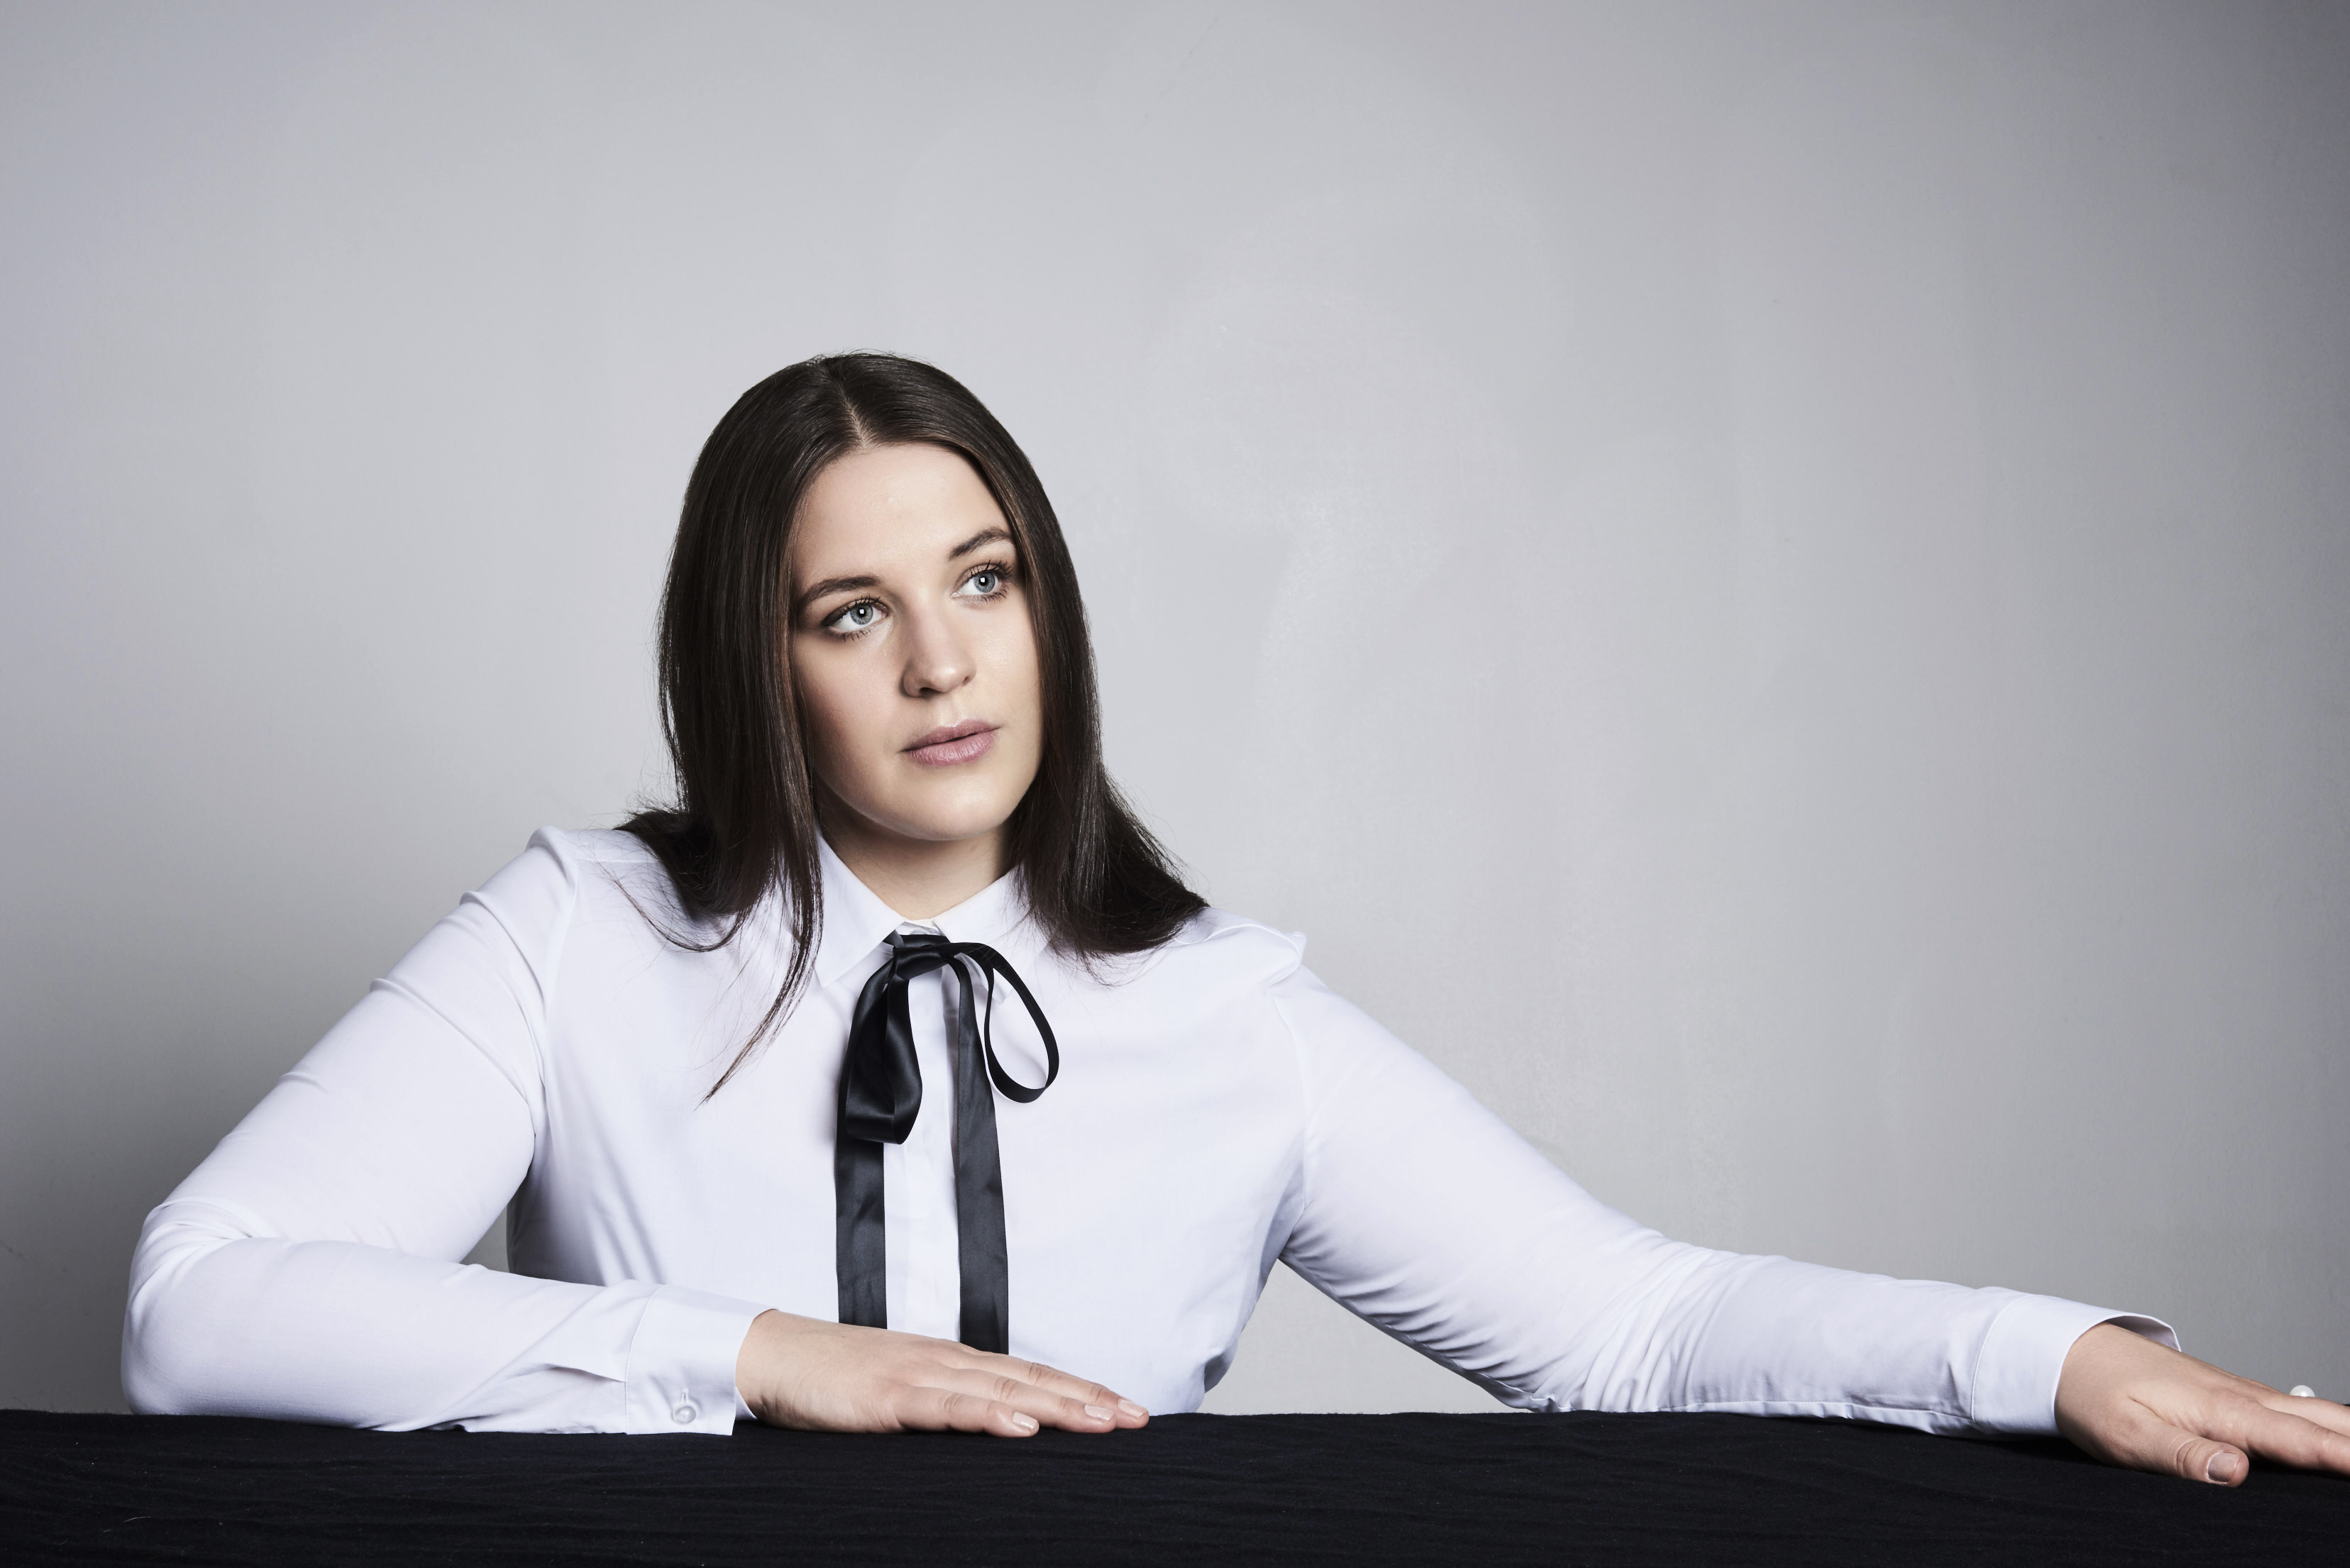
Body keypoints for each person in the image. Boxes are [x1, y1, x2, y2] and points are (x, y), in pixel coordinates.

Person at [123, 354, 2347, 1486]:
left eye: (984, 582)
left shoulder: (1224, 1013)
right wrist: (749, 1359)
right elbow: (197, 1309)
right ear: (753, 658)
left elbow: (1634, 1331)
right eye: (852, 611)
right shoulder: (577, 938)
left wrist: (2048, 1354)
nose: (941, 665)